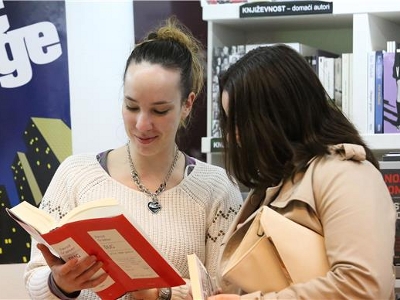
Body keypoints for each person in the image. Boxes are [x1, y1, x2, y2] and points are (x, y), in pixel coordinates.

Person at [24, 17, 243, 300]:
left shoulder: (217, 188)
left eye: (160, 111)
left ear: (187, 104)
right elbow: (33, 280)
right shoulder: (75, 174)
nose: (142, 124)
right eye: (131, 106)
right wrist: (59, 284)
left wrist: (159, 292)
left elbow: (228, 291)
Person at [210, 44, 396, 299]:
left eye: (240, 122)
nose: (234, 136)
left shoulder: (346, 175)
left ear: (277, 115)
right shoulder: (275, 182)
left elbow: (362, 287)